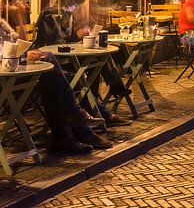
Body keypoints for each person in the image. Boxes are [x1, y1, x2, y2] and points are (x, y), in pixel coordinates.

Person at [1, 16, 113, 153]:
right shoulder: (49, 16)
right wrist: (19, 56)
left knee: (61, 78)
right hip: (4, 84)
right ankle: (76, 126)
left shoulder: (2, 25)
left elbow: (19, 42)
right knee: (50, 63)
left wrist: (23, 49)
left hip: (14, 75)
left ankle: (67, 134)